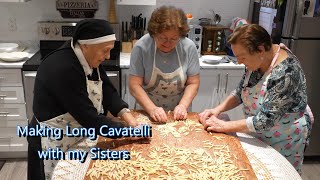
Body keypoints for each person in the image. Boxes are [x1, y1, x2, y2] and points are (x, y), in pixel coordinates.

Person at [27, 19, 141, 180]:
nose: (108, 56)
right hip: (52, 140)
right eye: (105, 50)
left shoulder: (88, 57)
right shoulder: (64, 68)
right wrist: (127, 131)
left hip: (73, 134)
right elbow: (88, 117)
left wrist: (126, 115)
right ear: (86, 45)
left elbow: (107, 89)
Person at [199, 24, 312, 174]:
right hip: (260, 134)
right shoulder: (258, 60)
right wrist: (217, 109)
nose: (239, 62)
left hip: (285, 140)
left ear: (260, 49)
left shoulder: (286, 73)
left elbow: (264, 121)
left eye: (242, 57)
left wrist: (224, 126)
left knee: (278, 174)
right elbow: (241, 90)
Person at [129, 6, 200, 122]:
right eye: (163, 38)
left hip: (179, 115)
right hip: (148, 113)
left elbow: (193, 83)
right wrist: (152, 109)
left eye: (174, 39)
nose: (168, 43)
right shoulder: (141, 48)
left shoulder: (189, 47)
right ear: (154, 33)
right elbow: (134, 85)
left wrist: (182, 106)